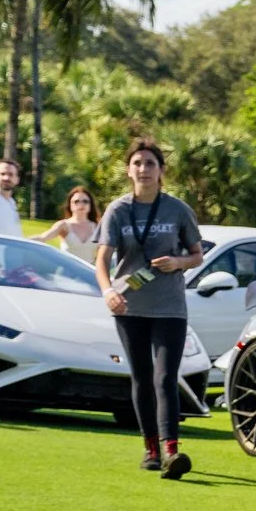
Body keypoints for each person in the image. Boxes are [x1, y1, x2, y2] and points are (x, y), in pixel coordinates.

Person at [95, 139, 205, 479]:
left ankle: (172, 449)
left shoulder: (177, 209)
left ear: (161, 172)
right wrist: (108, 291)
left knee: (165, 377)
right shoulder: (118, 210)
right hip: (129, 306)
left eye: (150, 164)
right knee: (142, 377)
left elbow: (197, 255)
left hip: (170, 307)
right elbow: (102, 260)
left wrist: (178, 261)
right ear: (129, 170)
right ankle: (151, 449)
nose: (143, 169)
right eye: (138, 163)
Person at [36, 185, 103, 262]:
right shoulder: (63, 225)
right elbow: (42, 238)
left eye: (85, 201)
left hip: (88, 272)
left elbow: (104, 255)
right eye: (76, 201)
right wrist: (19, 241)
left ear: (90, 205)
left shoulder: (97, 227)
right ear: (70, 205)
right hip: (66, 272)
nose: (81, 204)